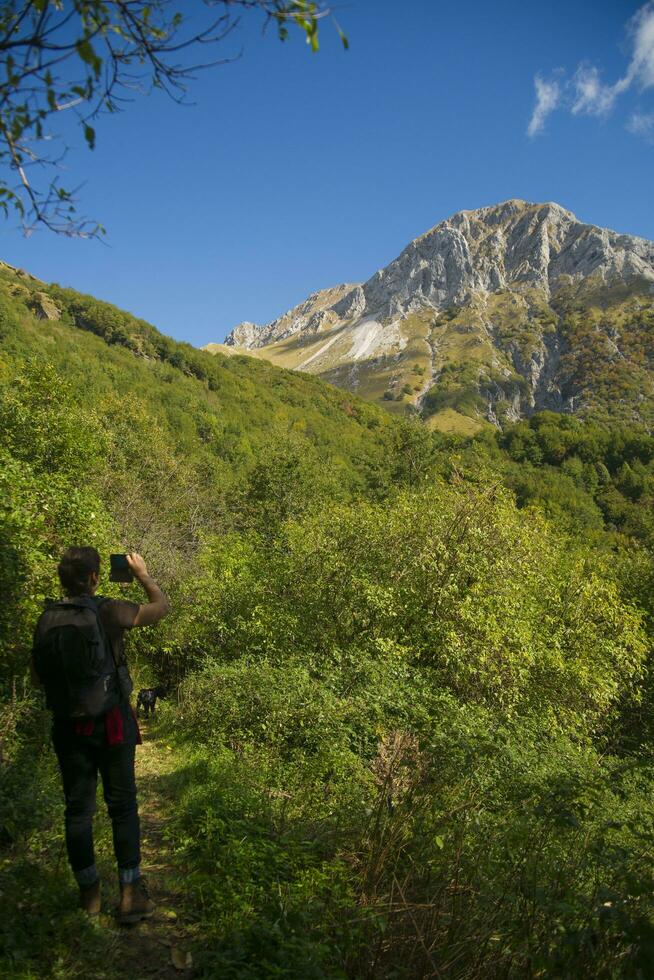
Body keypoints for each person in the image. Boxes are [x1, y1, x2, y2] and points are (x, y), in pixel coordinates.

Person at [31, 547, 170, 921]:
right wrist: (142, 574)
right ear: (95, 577)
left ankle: (89, 895)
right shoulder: (109, 610)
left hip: (67, 725)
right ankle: (129, 896)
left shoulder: (47, 618)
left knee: (78, 809)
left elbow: (38, 677)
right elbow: (161, 607)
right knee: (122, 806)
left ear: (62, 578)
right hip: (110, 723)